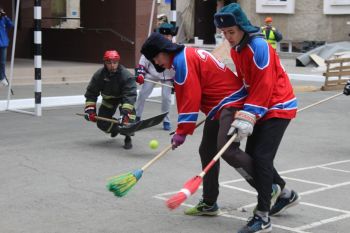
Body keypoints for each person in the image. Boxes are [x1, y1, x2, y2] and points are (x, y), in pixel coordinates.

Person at [142, 31, 270, 216]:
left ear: (164, 50)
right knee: (207, 150)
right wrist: (182, 129)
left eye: (156, 57)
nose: (157, 63)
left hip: (231, 102)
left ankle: (268, 188)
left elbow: (190, 97)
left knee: (226, 149)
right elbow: (186, 94)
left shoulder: (182, 61)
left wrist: (183, 131)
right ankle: (210, 202)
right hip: (219, 106)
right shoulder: (184, 56)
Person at [214, 3, 299, 232]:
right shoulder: (236, 50)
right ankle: (285, 193)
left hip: (279, 104)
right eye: (224, 33)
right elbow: (246, 85)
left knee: (261, 158)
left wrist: (248, 115)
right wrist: (226, 105)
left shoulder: (258, 46)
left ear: (242, 27)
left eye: (231, 32)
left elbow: (265, 85)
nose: (228, 37)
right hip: (262, 105)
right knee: (253, 155)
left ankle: (262, 216)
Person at [84, 50, 137, 150]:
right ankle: (115, 129)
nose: (112, 65)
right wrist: (90, 110)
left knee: (128, 119)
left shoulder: (126, 75)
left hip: (124, 99)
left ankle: (127, 137)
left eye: (114, 62)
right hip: (109, 100)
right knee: (101, 122)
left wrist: (125, 113)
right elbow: (91, 93)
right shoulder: (99, 75)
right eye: (109, 63)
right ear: (105, 63)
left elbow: (130, 94)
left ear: (118, 62)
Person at [135, 23, 177, 131]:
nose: (165, 38)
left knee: (166, 98)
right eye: (163, 36)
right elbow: (143, 59)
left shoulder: (175, 48)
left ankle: (166, 120)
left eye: (168, 36)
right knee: (142, 95)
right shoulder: (152, 45)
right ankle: (137, 116)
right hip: (151, 74)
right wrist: (140, 73)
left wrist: (177, 80)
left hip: (167, 77)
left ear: (171, 36)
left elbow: (178, 64)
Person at [0, 6, 14, 87]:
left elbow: (11, 25)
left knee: (2, 62)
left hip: (3, 43)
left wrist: (5, 16)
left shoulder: (3, 19)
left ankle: (2, 77)